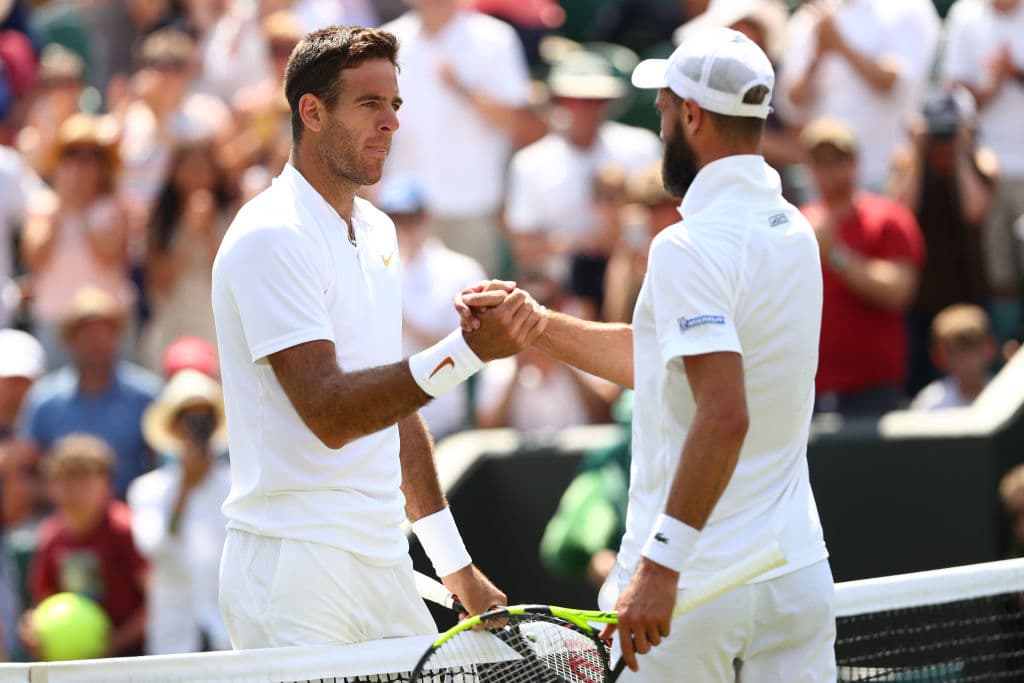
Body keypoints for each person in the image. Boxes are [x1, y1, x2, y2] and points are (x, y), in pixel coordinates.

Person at [460, 28, 835, 679]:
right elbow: (666, 367)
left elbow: (723, 413)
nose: (660, 128)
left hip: (690, 593)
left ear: (692, 114)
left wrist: (659, 567)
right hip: (795, 577)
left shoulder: (685, 247)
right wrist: (537, 324)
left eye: (663, 110)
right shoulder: (794, 229)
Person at [212, 25, 546, 649]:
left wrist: (455, 566)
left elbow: (393, 410)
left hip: (383, 561)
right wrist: (467, 351)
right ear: (311, 112)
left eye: (395, 105)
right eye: (370, 104)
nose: (390, 122)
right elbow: (332, 413)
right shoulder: (270, 235)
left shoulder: (379, 231)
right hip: (292, 568)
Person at [382, 0, 542, 276]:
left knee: (477, 310)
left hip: (471, 206)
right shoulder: (387, 41)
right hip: (401, 210)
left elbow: (520, 123)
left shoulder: (495, 38)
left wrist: (462, 88)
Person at [504, 48, 661, 314]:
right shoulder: (530, 164)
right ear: (559, 102)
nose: (584, 110)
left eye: (594, 100)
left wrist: (619, 229)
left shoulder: (641, 149)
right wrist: (571, 244)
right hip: (561, 293)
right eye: (574, 100)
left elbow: (664, 219)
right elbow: (523, 246)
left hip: (637, 282)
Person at [800, 117, 925, 416]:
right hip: (807, 391)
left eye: (836, 160)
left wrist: (837, 255)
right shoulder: (795, 223)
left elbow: (898, 291)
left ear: (854, 162)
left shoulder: (888, 218)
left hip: (873, 390)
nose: (827, 170)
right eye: (819, 161)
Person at [888, 88, 995, 394]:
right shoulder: (908, 162)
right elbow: (900, 211)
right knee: (918, 385)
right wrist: (920, 154)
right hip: (921, 298)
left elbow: (974, 210)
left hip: (969, 292)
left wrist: (961, 152)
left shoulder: (981, 161)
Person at [779, 0, 940, 191]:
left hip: (887, 176)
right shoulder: (809, 18)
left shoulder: (910, 8)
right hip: (820, 183)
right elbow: (792, 104)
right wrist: (817, 58)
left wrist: (839, 43)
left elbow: (895, 84)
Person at [21, 287, 162, 498]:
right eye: (87, 334)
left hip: (132, 516)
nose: (96, 342)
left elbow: (162, 464)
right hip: (64, 519)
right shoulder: (45, 400)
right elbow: (28, 471)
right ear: (70, 340)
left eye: (104, 333)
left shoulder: (147, 394)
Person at [128, 369, 231, 654]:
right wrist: (185, 489)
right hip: (175, 633)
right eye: (190, 420)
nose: (197, 429)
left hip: (229, 633)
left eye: (204, 419)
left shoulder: (237, 483)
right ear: (175, 427)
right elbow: (156, 547)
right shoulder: (148, 489)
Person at [21, 433, 147, 658]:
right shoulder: (51, 536)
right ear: (51, 487)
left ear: (107, 485)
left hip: (133, 658)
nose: (75, 491)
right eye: (66, 480)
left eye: (85, 480)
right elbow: (44, 601)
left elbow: (157, 601)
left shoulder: (126, 529)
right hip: (73, 662)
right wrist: (33, 631)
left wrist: (117, 642)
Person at [942, 0, 1024, 344]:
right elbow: (954, 92)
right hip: (986, 170)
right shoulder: (965, 14)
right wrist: (991, 85)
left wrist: (1014, 73)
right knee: (999, 275)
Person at [380, 176, 486, 440]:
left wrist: (411, 328)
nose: (404, 226)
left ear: (426, 217)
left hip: (444, 418)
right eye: (395, 217)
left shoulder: (461, 270)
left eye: (411, 217)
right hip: (385, 421)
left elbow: (477, 343)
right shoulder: (373, 269)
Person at [910, 304, 997, 411]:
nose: (963, 358)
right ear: (939, 357)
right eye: (952, 351)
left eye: (970, 345)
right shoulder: (930, 402)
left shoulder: (1006, 396)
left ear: (989, 349)